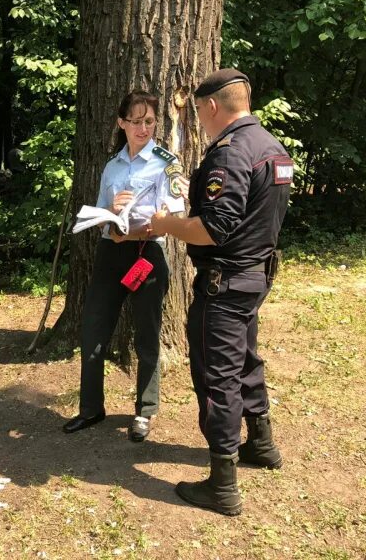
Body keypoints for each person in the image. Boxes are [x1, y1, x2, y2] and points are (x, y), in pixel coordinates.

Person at [150, 69, 292, 516]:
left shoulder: (229, 155)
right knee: (246, 358)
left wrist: (165, 224)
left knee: (218, 376)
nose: (199, 121)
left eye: (198, 112)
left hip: (225, 283)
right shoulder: (272, 147)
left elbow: (212, 228)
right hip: (255, 276)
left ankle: (223, 484)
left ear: (212, 106)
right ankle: (262, 445)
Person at [63, 90, 186, 442]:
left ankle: (145, 412)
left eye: (149, 121)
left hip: (147, 254)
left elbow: (176, 212)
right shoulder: (112, 165)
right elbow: (100, 215)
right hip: (112, 251)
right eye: (136, 122)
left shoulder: (166, 162)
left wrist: (154, 220)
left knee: (147, 334)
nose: (143, 128)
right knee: (93, 330)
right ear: (122, 123)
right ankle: (91, 408)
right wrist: (114, 212)